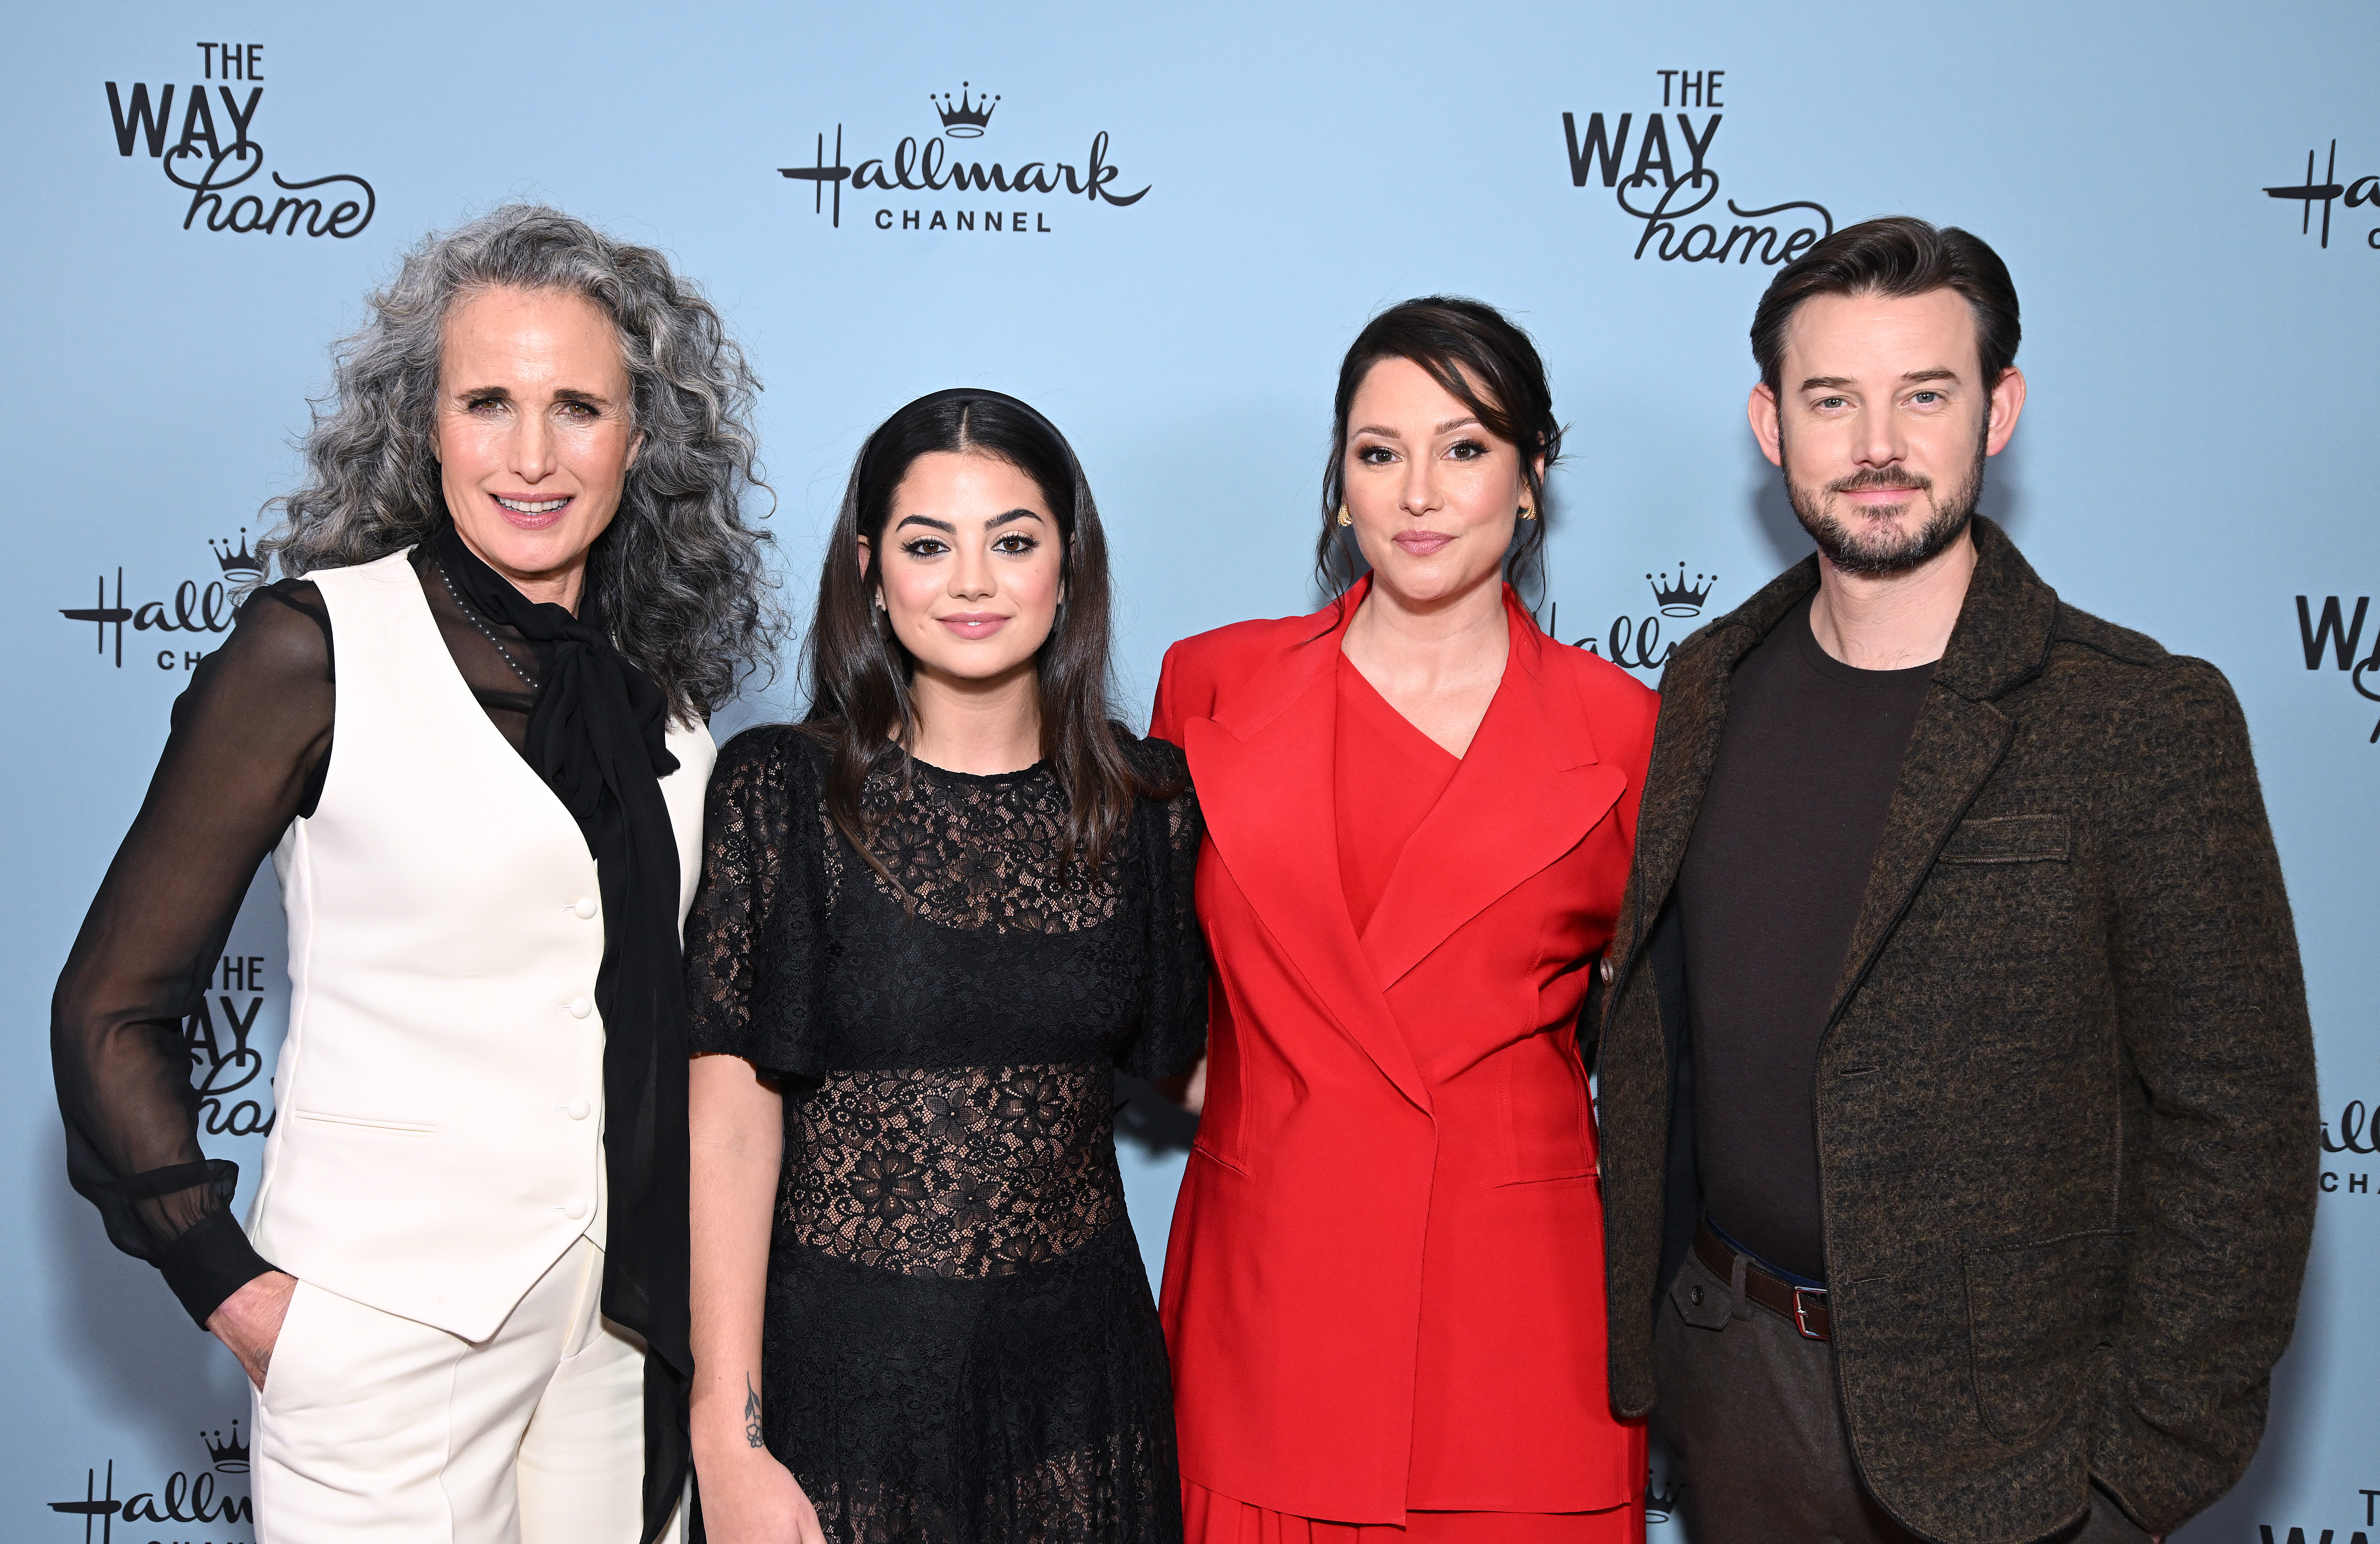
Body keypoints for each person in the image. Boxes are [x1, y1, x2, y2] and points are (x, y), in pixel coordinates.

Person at [50, 205, 779, 1544]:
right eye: (487, 401)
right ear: (424, 424)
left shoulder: (662, 708)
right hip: (382, 1346)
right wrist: (237, 1292)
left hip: (612, 1342)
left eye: (579, 407)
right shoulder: (311, 649)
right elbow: (108, 1009)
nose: (532, 455)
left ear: (641, 437)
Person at [1592, 217, 2319, 1544]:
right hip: (1732, 1380)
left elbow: (2245, 1130)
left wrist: (2132, 1476)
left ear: (2000, 409)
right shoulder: (1704, 690)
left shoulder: (2143, 721)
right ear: (1772, 426)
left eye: (1925, 393)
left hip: (2022, 1448)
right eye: (1834, 400)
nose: (1879, 444)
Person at [1152, 297, 1656, 1542]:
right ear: (1341, 487)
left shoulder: (1626, 730)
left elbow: (1665, 1045)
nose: (1420, 493)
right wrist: (1229, 1082)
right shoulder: (1211, 683)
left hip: (1518, 1324)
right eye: (1381, 454)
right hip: (1272, 1303)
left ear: (1532, 480)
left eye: (1467, 448)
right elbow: (1144, 978)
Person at [684, 388, 1206, 1544]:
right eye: (930, 545)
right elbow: (727, 1127)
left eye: (1012, 541)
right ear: (872, 570)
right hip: (842, 1389)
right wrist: (727, 1438)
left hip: (1083, 1394)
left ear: (1067, 566)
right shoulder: (780, 793)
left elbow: (1205, 1070)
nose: (972, 583)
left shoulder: (1149, 805)